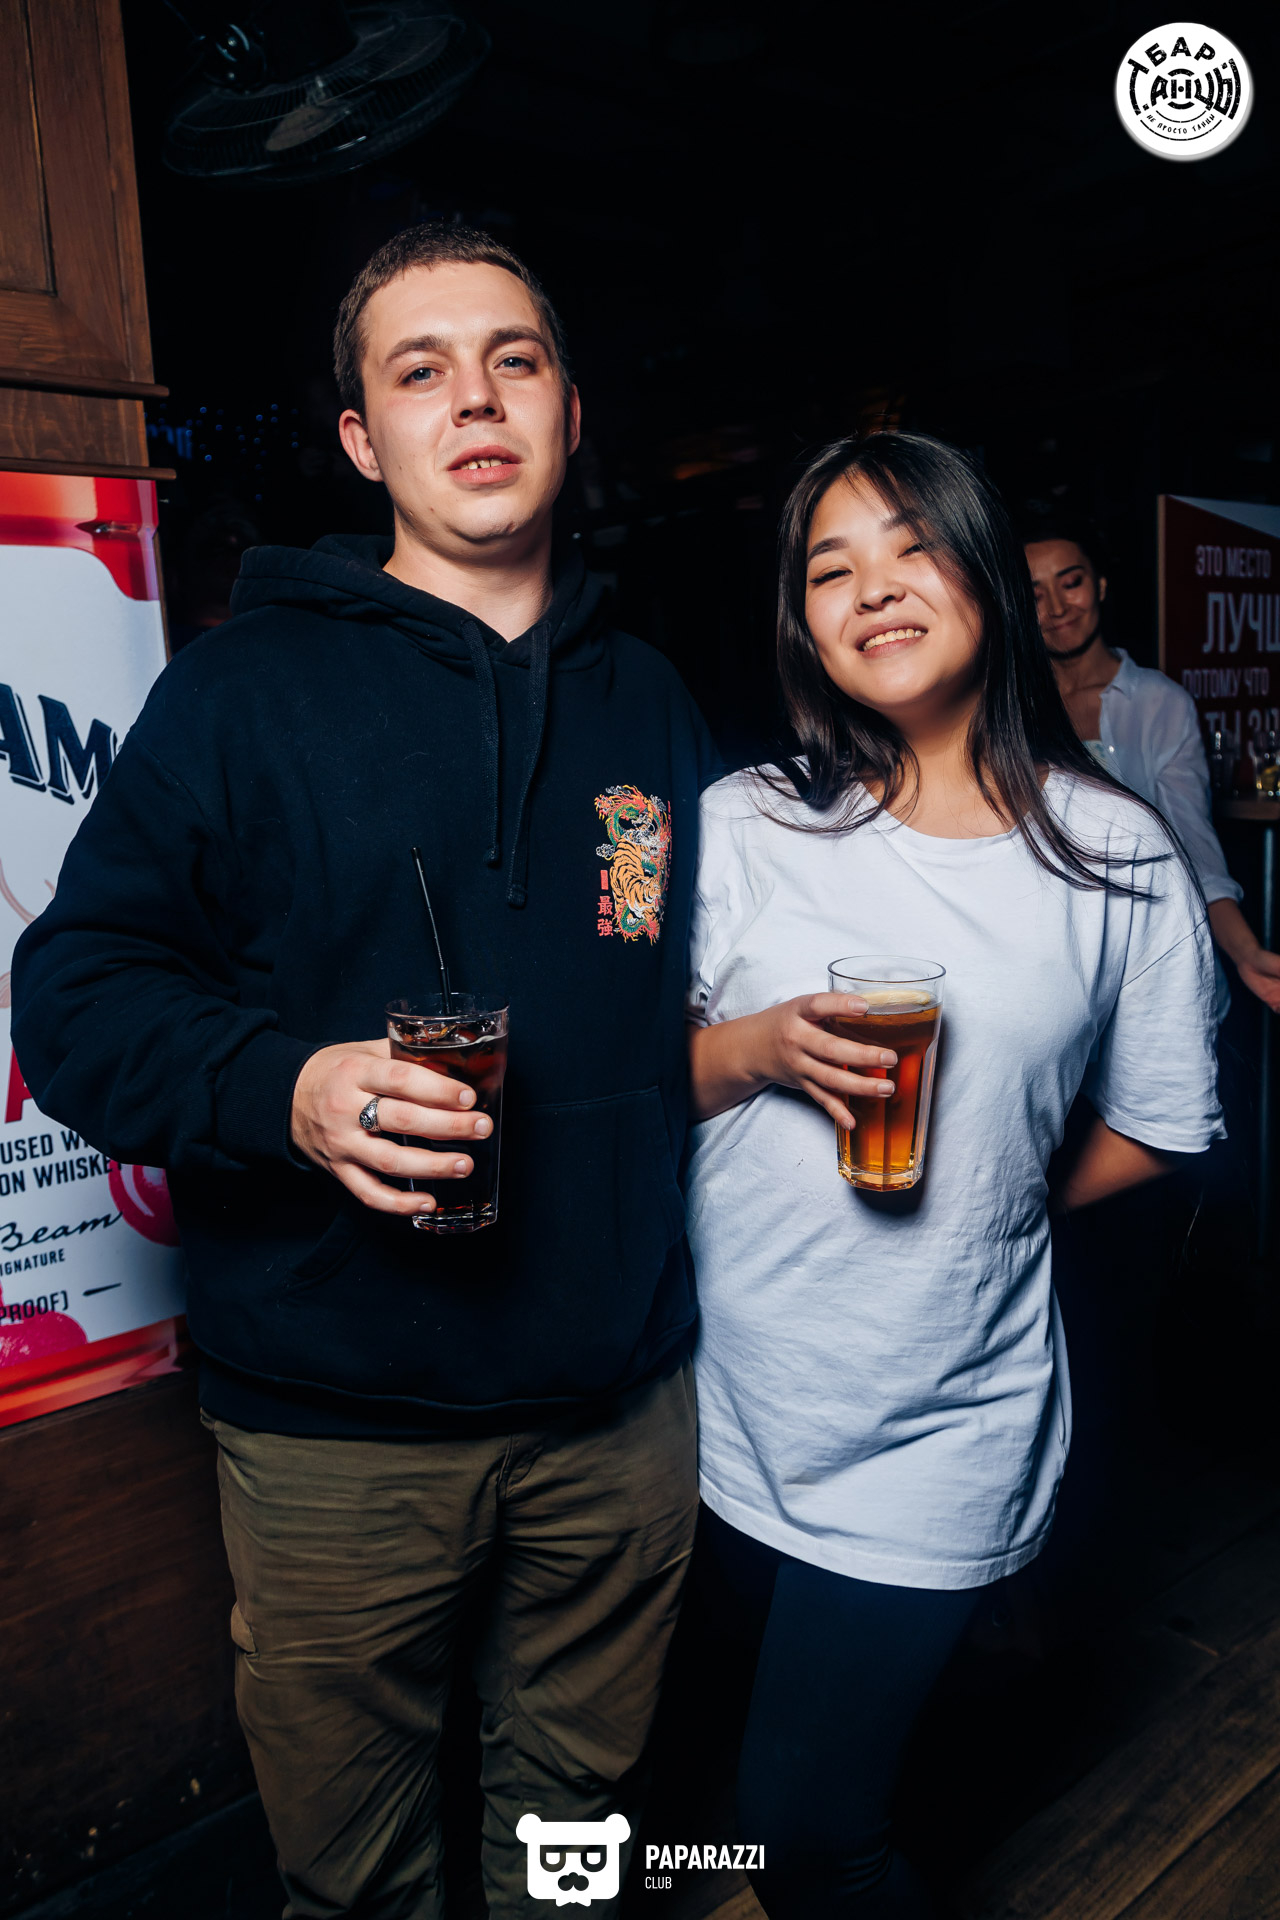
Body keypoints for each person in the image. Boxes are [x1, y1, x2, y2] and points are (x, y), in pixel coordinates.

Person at [12, 224, 715, 1919]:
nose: (474, 398)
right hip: (337, 1434)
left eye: (514, 360)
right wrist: (289, 1092)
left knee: (575, 1842)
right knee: (355, 1881)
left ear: (567, 411)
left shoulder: (650, 697)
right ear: (361, 437)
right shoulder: (240, 693)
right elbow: (76, 995)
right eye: (420, 370)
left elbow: (694, 985)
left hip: (620, 1411)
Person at [683, 432, 1222, 1918]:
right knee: (745, 1758)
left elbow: (1165, 1123)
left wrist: (995, 1200)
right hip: (716, 1404)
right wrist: (760, 1050)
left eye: (910, 547)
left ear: (983, 569)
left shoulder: (1115, 855)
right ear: (802, 620)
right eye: (830, 568)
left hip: (939, 1421)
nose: (872, 589)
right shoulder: (744, 822)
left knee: (805, 1829)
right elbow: (637, 1087)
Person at [1023, 513, 1280, 1015]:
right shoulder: (1011, 708)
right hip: (1049, 971)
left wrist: (1245, 952)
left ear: (1100, 585)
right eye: (1034, 595)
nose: (1056, 608)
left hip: (1149, 962)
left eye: (1071, 583)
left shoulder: (1159, 702)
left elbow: (1194, 848)